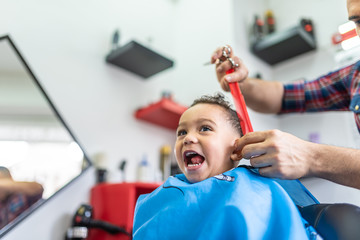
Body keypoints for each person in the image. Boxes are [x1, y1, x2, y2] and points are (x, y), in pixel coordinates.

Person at [209, 0, 360, 190]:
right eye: (359, 22)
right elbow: (287, 96)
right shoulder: (355, 76)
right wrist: (241, 84)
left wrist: (310, 156)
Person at [133, 94, 319, 239]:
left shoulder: (253, 190)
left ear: (236, 149)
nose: (188, 138)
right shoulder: (167, 193)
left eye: (205, 128)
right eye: (182, 132)